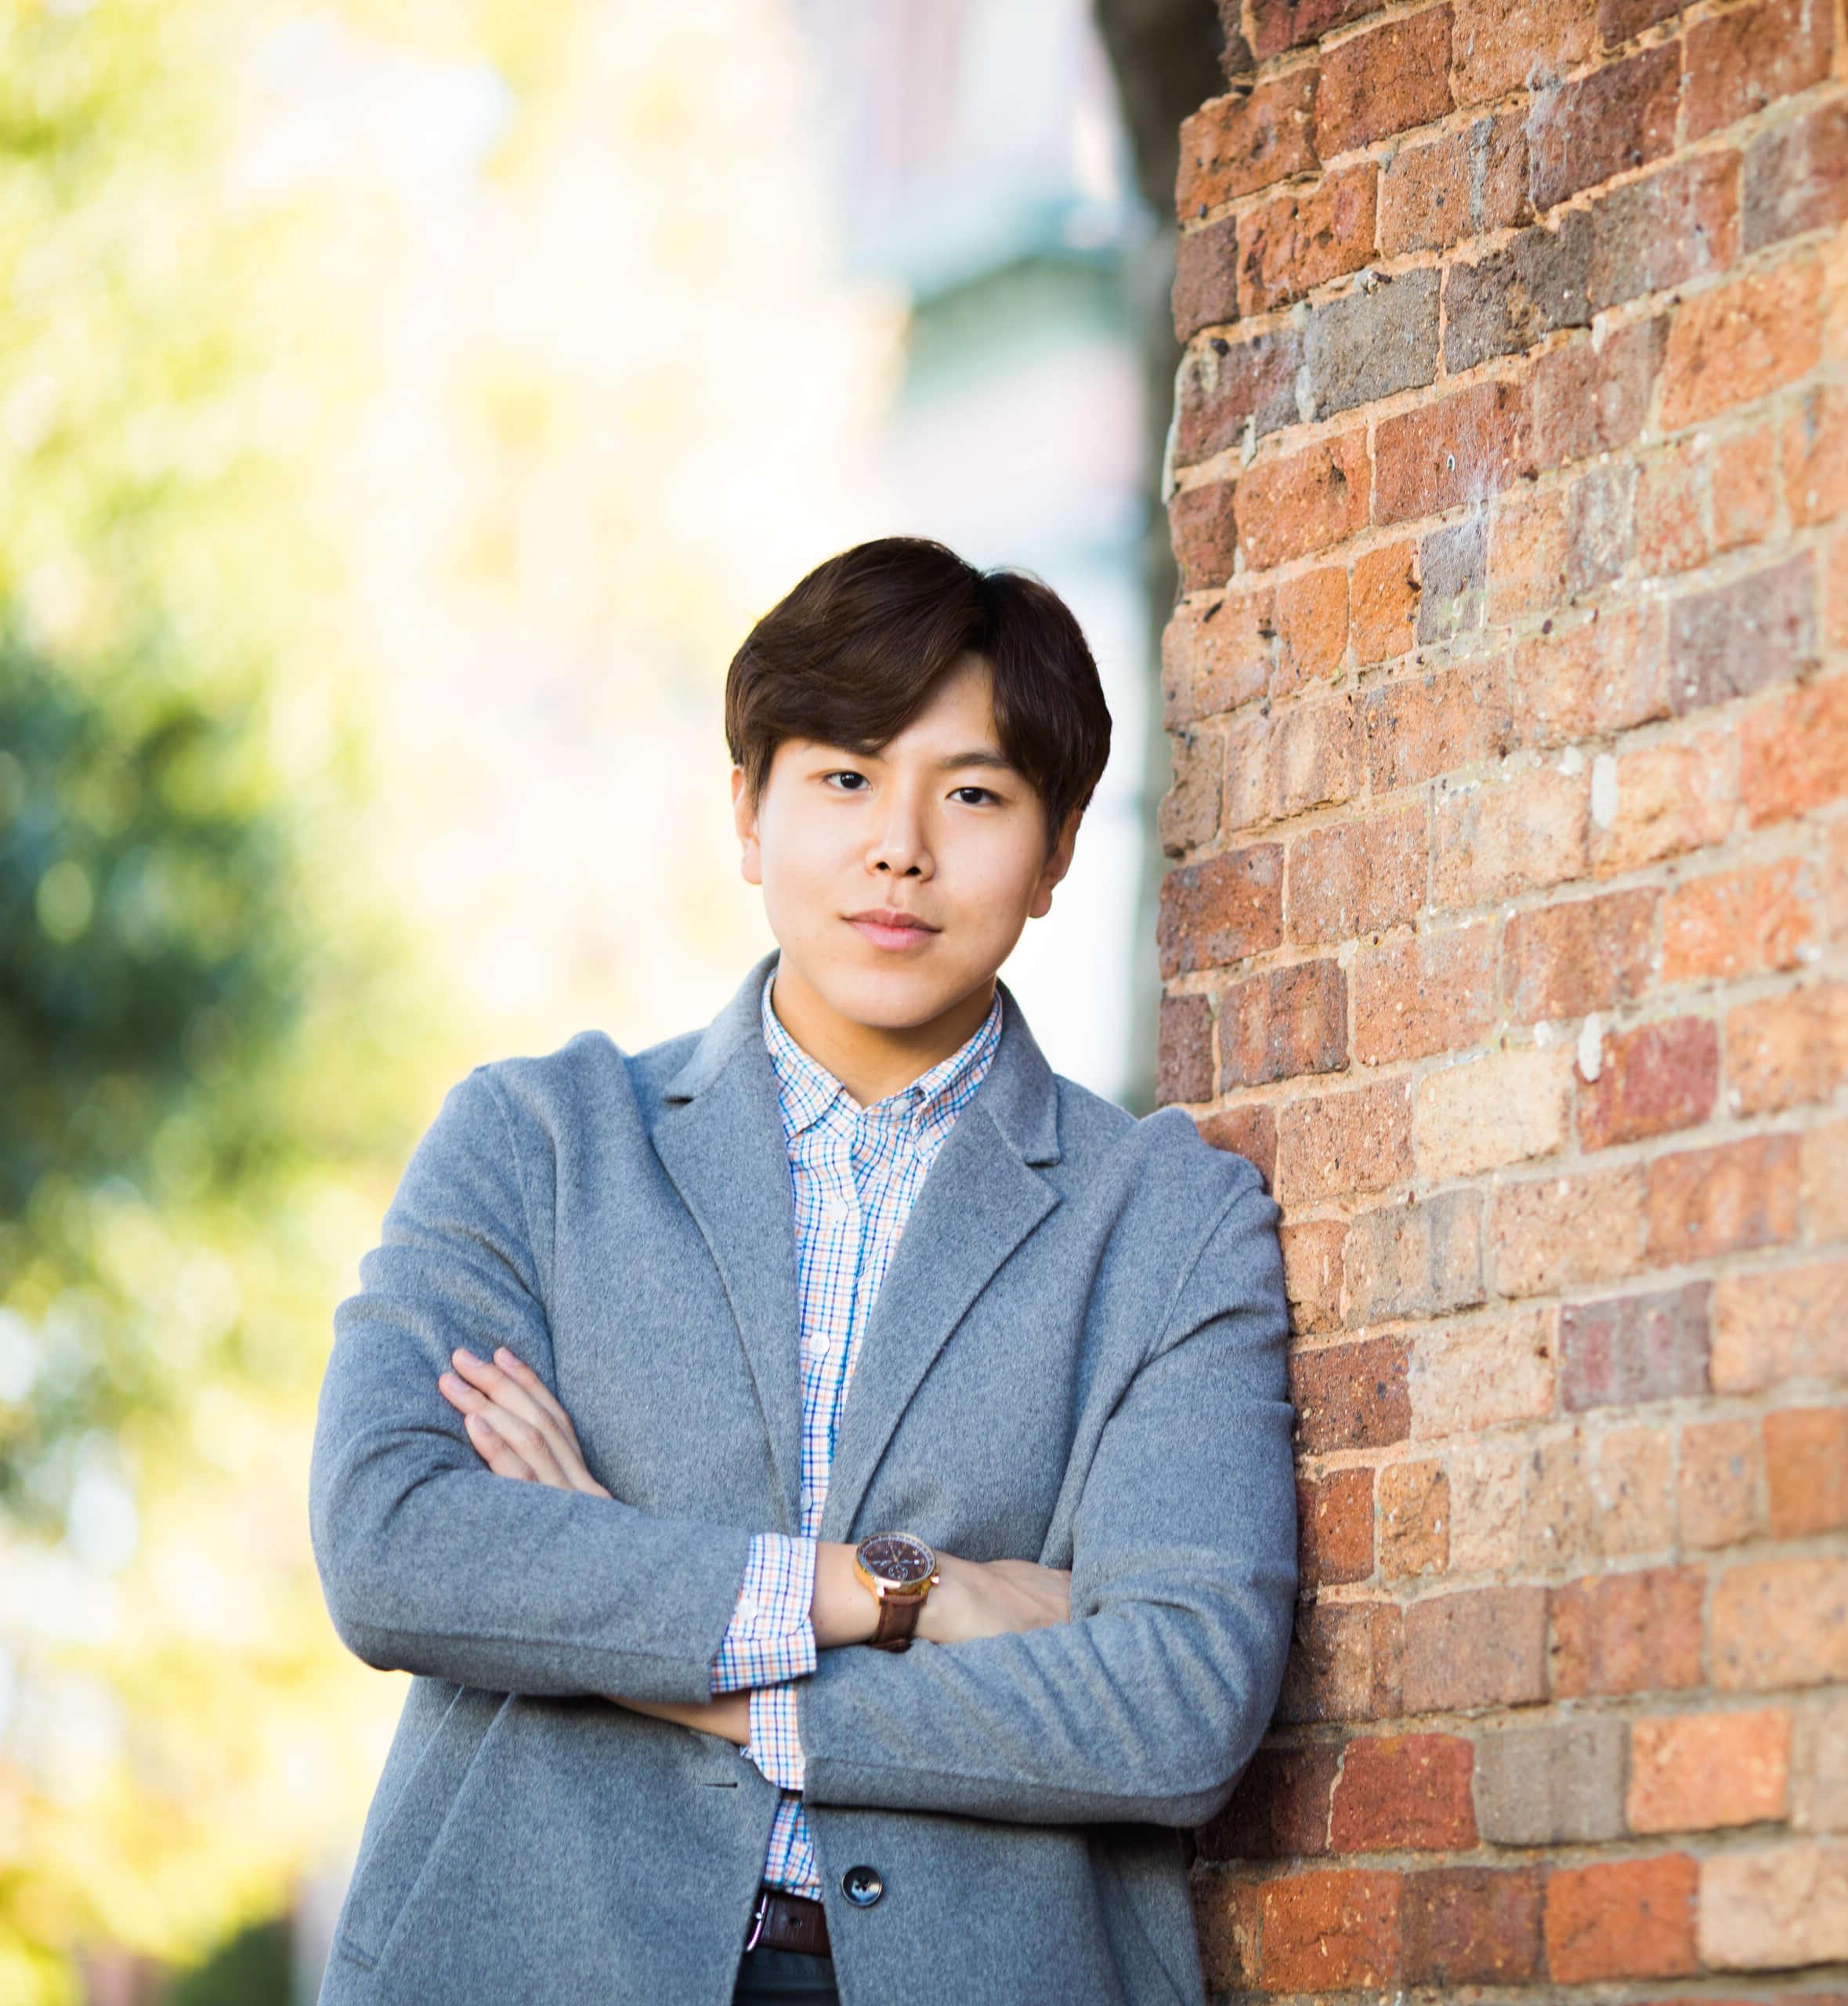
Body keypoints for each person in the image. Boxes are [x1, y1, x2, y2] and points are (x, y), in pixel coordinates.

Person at [305, 537, 1297, 2004]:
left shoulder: (1169, 1223)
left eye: (973, 793)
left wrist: (637, 1622)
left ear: (1059, 849)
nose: (902, 845)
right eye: (844, 776)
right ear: (749, 813)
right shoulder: (539, 1140)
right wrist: (900, 1592)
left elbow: (1176, 1706)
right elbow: (396, 1544)